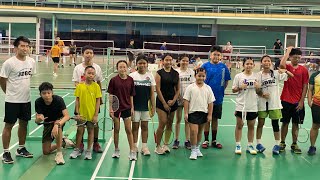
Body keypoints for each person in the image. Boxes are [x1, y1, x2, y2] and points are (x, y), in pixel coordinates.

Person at [0, 36, 36, 164]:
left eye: (27, 46)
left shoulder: (31, 62)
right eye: (22, 46)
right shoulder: (9, 63)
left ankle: (21, 148)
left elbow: (29, 77)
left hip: (26, 99)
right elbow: (2, 80)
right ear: (16, 48)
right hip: (12, 100)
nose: (25, 48)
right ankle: (6, 152)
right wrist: (8, 92)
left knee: (24, 124)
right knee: (8, 125)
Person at [255, 55, 293, 155]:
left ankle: (277, 144)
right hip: (262, 103)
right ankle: (258, 144)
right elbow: (256, 90)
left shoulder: (276, 73)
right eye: (264, 61)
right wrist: (262, 94)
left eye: (268, 61)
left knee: (275, 124)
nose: (266, 62)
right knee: (260, 124)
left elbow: (291, 76)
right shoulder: (258, 75)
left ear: (271, 63)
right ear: (261, 63)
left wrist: (285, 71)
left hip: (274, 104)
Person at [72, 45, 103, 153]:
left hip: (93, 100)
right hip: (82, 100)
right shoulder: (78, 68)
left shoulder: (97, 68)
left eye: (90, 53)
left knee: (95, 123)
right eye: (86, 53)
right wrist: (83, 91)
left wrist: (100, 98)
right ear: (83, 54)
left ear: (93, 54)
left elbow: (99, 82)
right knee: (80, 125)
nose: (88, 55)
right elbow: (76, 82)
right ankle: (79, 144)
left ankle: (95, 143)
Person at [279, 47, 309, 154]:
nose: (297, 59)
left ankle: (294, 143)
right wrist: (287, 51)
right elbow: (281, 64)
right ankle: (282, 143)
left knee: (295, 124)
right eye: (295, 57)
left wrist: (302, 101)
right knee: (284, 123)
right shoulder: (286, 67)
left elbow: (305, 86)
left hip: (297, 102)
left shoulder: (304, 70)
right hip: (285, 100)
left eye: (298, 57)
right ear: (290, 57)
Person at [201, 46, 231, 149]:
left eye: (218, 54)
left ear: (221, 56)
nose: (216, 56)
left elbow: (226, 81)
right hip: (205, 97)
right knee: (206, 119)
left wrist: (221, 90)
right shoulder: (205, 66)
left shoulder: (224, 67)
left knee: (215, 119)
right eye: (214, 54)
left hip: (218, 97)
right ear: (210, 55)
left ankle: (214, 139)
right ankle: (205, 140)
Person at [70, 66, 102, 160]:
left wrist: (96, 115)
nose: (91, 75)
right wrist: (77, 113)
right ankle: (77, 149)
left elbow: (98, 101)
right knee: (79, 131)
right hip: (82, 114)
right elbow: (77, 100)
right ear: (84, 74)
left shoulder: (96, 86)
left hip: (91, 114)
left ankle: (88, 151)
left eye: (93, 73)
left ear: (95, 75)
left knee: (90, 131)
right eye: (89, 73)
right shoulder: (80, 86)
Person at [35, 82, 70, 165]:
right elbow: (37, 121)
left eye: (48, 93)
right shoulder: (38, 102)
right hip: (48, 123)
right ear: (40, 94)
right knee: (46, 151)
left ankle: (59, 153)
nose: (47, 95)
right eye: (44, 93)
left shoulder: (58, 100)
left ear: (52, 93)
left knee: (57, 125)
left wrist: (57, 124)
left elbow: (67, 116)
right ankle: (64, 142)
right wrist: (39, 119)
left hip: (59, 121)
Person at [107, 60, 136, 161]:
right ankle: (116, 150)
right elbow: (110, 95)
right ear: (117, 68)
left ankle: (132, 151)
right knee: (117, 129)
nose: (122, 69)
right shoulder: (113, 80)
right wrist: (111, 108)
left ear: (127, 68)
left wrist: (132, 107)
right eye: (120, 67)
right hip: (116, 109)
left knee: (129, 130)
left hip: (127, 108)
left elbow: (131, 95)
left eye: (124, 67)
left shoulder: (131, 80)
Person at [184, 68, 214, 160]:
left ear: (205, 77)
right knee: (193, 132)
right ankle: (193, 150)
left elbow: (210, 103)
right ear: (195, 76)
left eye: (203, 76)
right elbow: (186, 100)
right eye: (199, 76)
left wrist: (209, 114)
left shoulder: (208, 88)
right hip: (193, 113)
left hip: (203, 113)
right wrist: (186, 113)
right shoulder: (190, 87)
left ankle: (197, 148)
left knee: (200, 132)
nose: (201, 78)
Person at [232, 57, 260, 155]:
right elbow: (233, 90)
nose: (249, 65)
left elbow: (259, 92)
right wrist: (240, 87)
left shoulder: (256, 76)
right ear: (243, 65)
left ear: (253, 65)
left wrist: (258, 88)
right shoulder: (238, 76)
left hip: (252, 105)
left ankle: (250, 145)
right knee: (239, 125)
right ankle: (238, 145)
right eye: (247, 64)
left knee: (251, 126)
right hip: (241, 105)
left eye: (251, 64)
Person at [129, 54, 156, 156]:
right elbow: (129, 94)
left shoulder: (150, 76)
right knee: (135, 127)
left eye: (144, 63)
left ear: (147, 64)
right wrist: (130, 107)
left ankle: (144, 147)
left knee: (145, 126)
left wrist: (153, 107)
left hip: (146, 107)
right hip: (135, 107)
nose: (142, 65)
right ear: (137, 64)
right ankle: (134, 146)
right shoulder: (132, 76)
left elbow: (152, 93)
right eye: (140, 63)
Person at [154, 54, 180, 155]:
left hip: (172, 102)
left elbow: (178, 90)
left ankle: (165, 145)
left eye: (170, 60)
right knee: (163, 122)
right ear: (162, 61)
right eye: (166, 60)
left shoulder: (176, 73)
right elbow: (158, 89)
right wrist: (164, 103)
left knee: (170, 123)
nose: (168, 62)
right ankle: (157, 146)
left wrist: (174, 100)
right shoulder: (159, 73)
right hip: (161, 102)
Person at [173, 54, 195, 149]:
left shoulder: (191, 72)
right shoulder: (176, 72)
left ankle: (187, 140)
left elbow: (193, 85)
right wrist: (179, 96)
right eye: (183, 60)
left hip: (188, 100)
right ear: (179, 61)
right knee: (178, 119)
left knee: (187, 120)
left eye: (187, 61)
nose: (185, 62)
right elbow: (174, 86)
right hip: (178, 99)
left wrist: (187, 98)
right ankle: (176, 140)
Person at [307, 62, 320, 155]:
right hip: (317, 104)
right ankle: (312, 146)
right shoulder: (315, 76)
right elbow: (310, 90)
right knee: (315, 125)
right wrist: (309, 101)